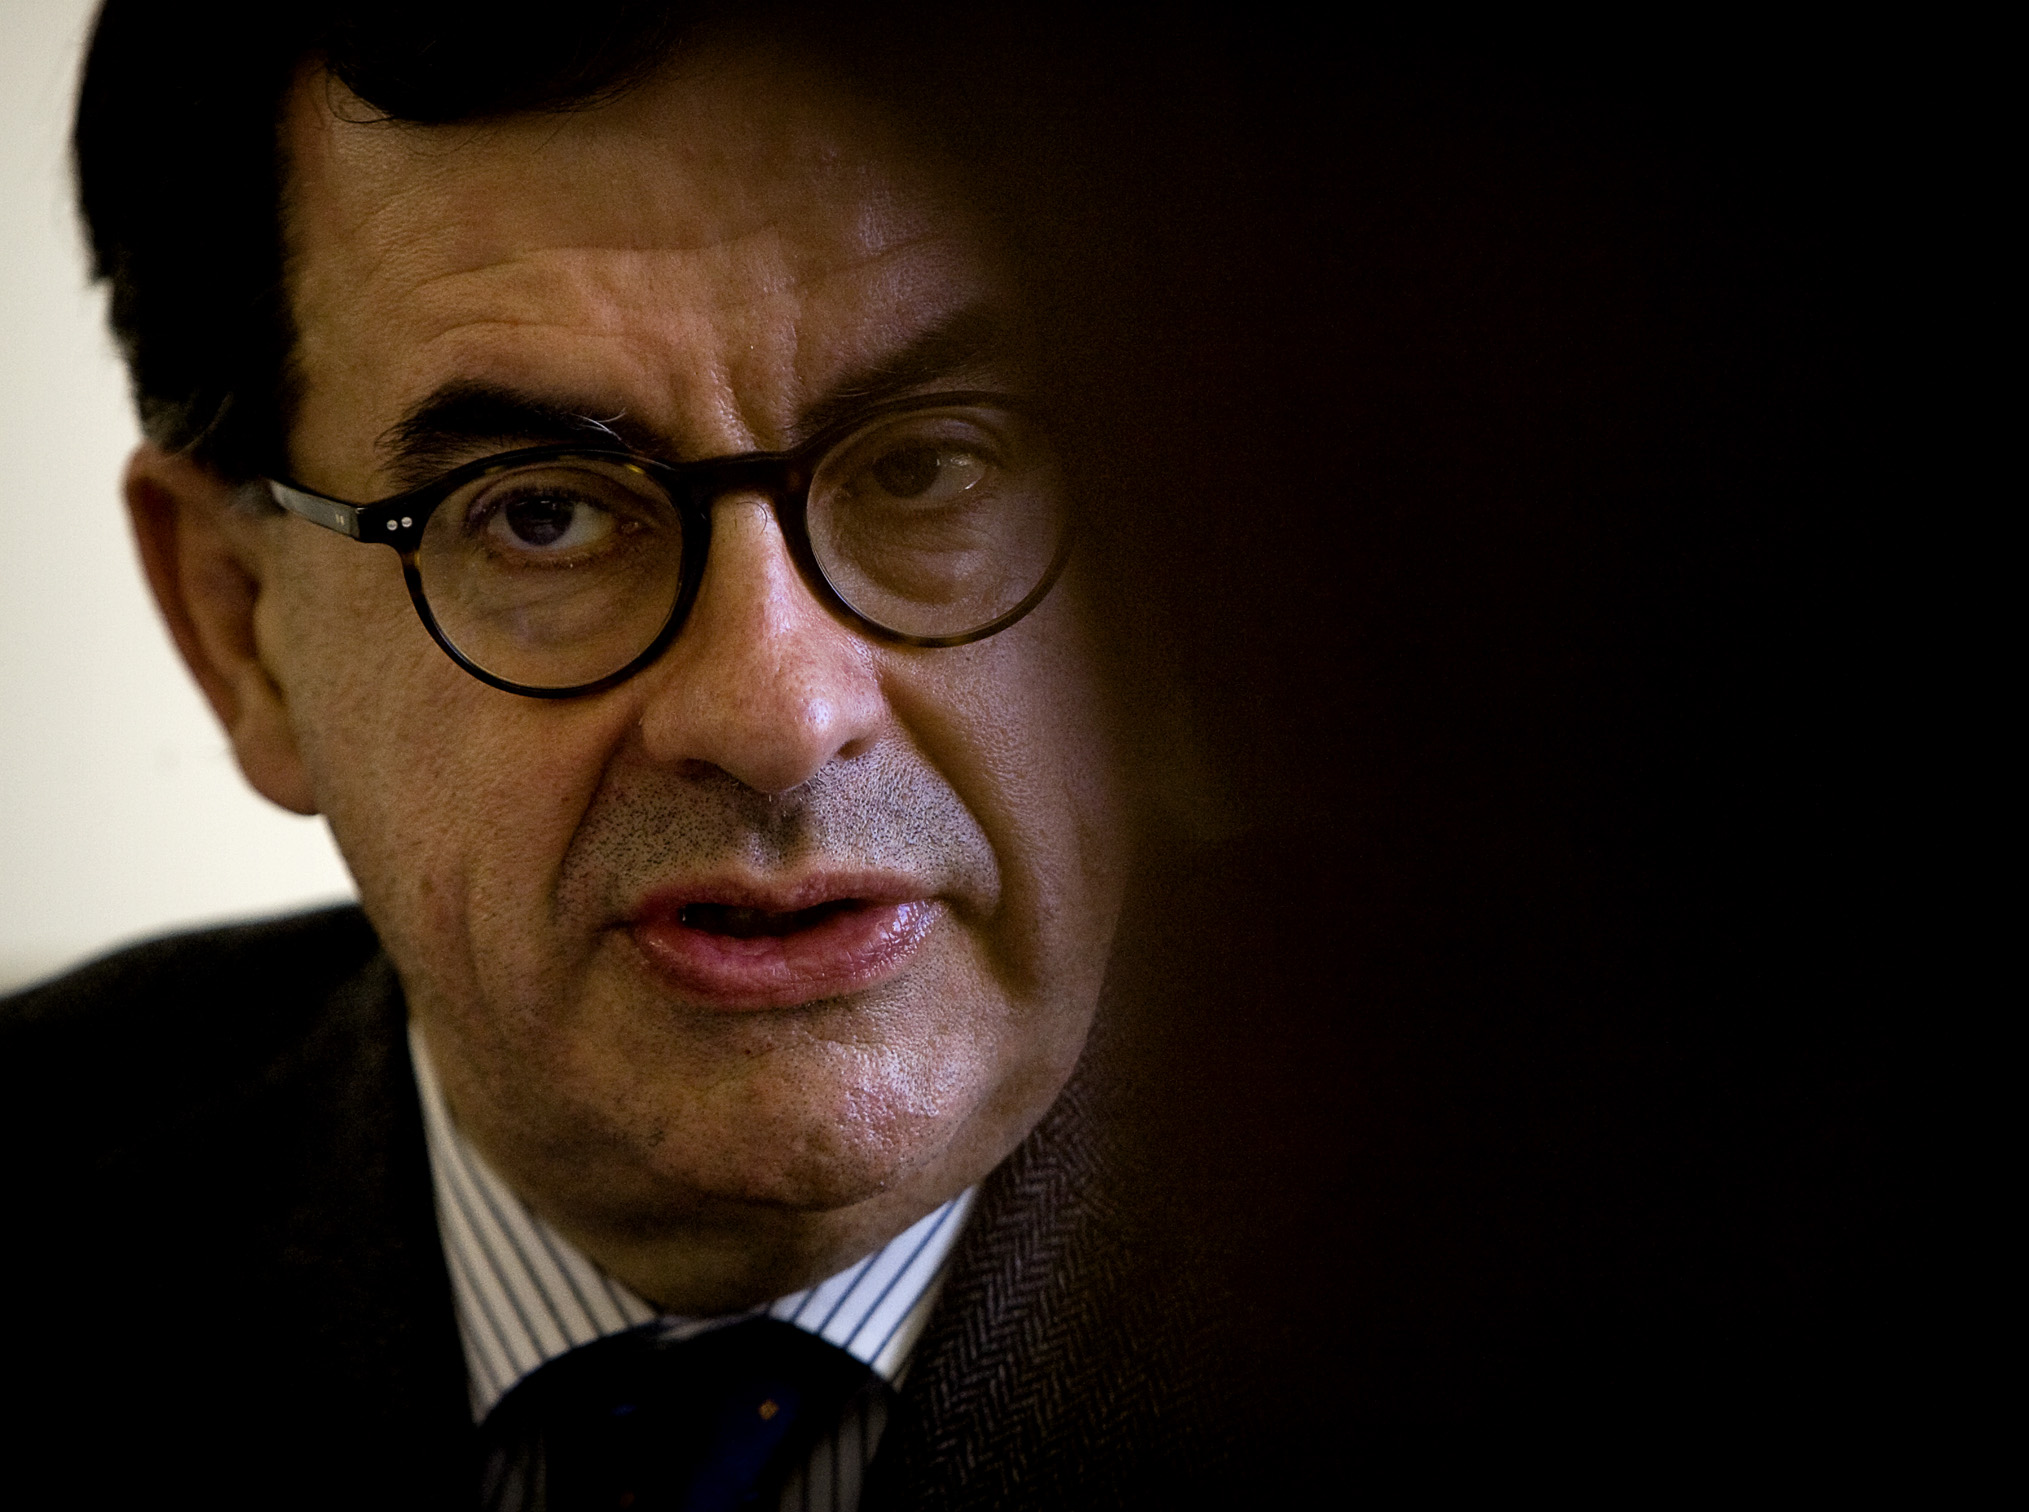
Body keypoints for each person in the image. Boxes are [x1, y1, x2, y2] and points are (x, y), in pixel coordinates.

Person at [3, 3, 1238, 1507]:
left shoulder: (1484, 1257)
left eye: (930, 464)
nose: (778, 717)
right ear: (239, 623)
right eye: (543, 513)